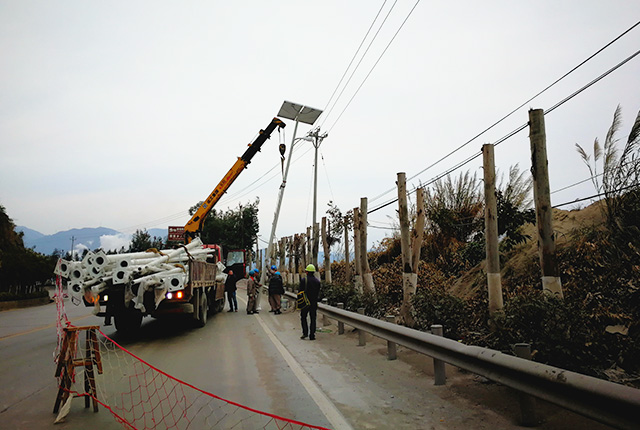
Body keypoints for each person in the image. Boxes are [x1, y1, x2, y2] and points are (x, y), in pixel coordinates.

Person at [299, 264, 320, 340]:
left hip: (305, 302)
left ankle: (305, 333)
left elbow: (300, 292)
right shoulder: (317, 282)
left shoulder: (304, 280)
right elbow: (318, 293)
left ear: (307, 272)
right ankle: (312, 334)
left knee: (303, 317)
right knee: (313, 318)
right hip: (314, 303)